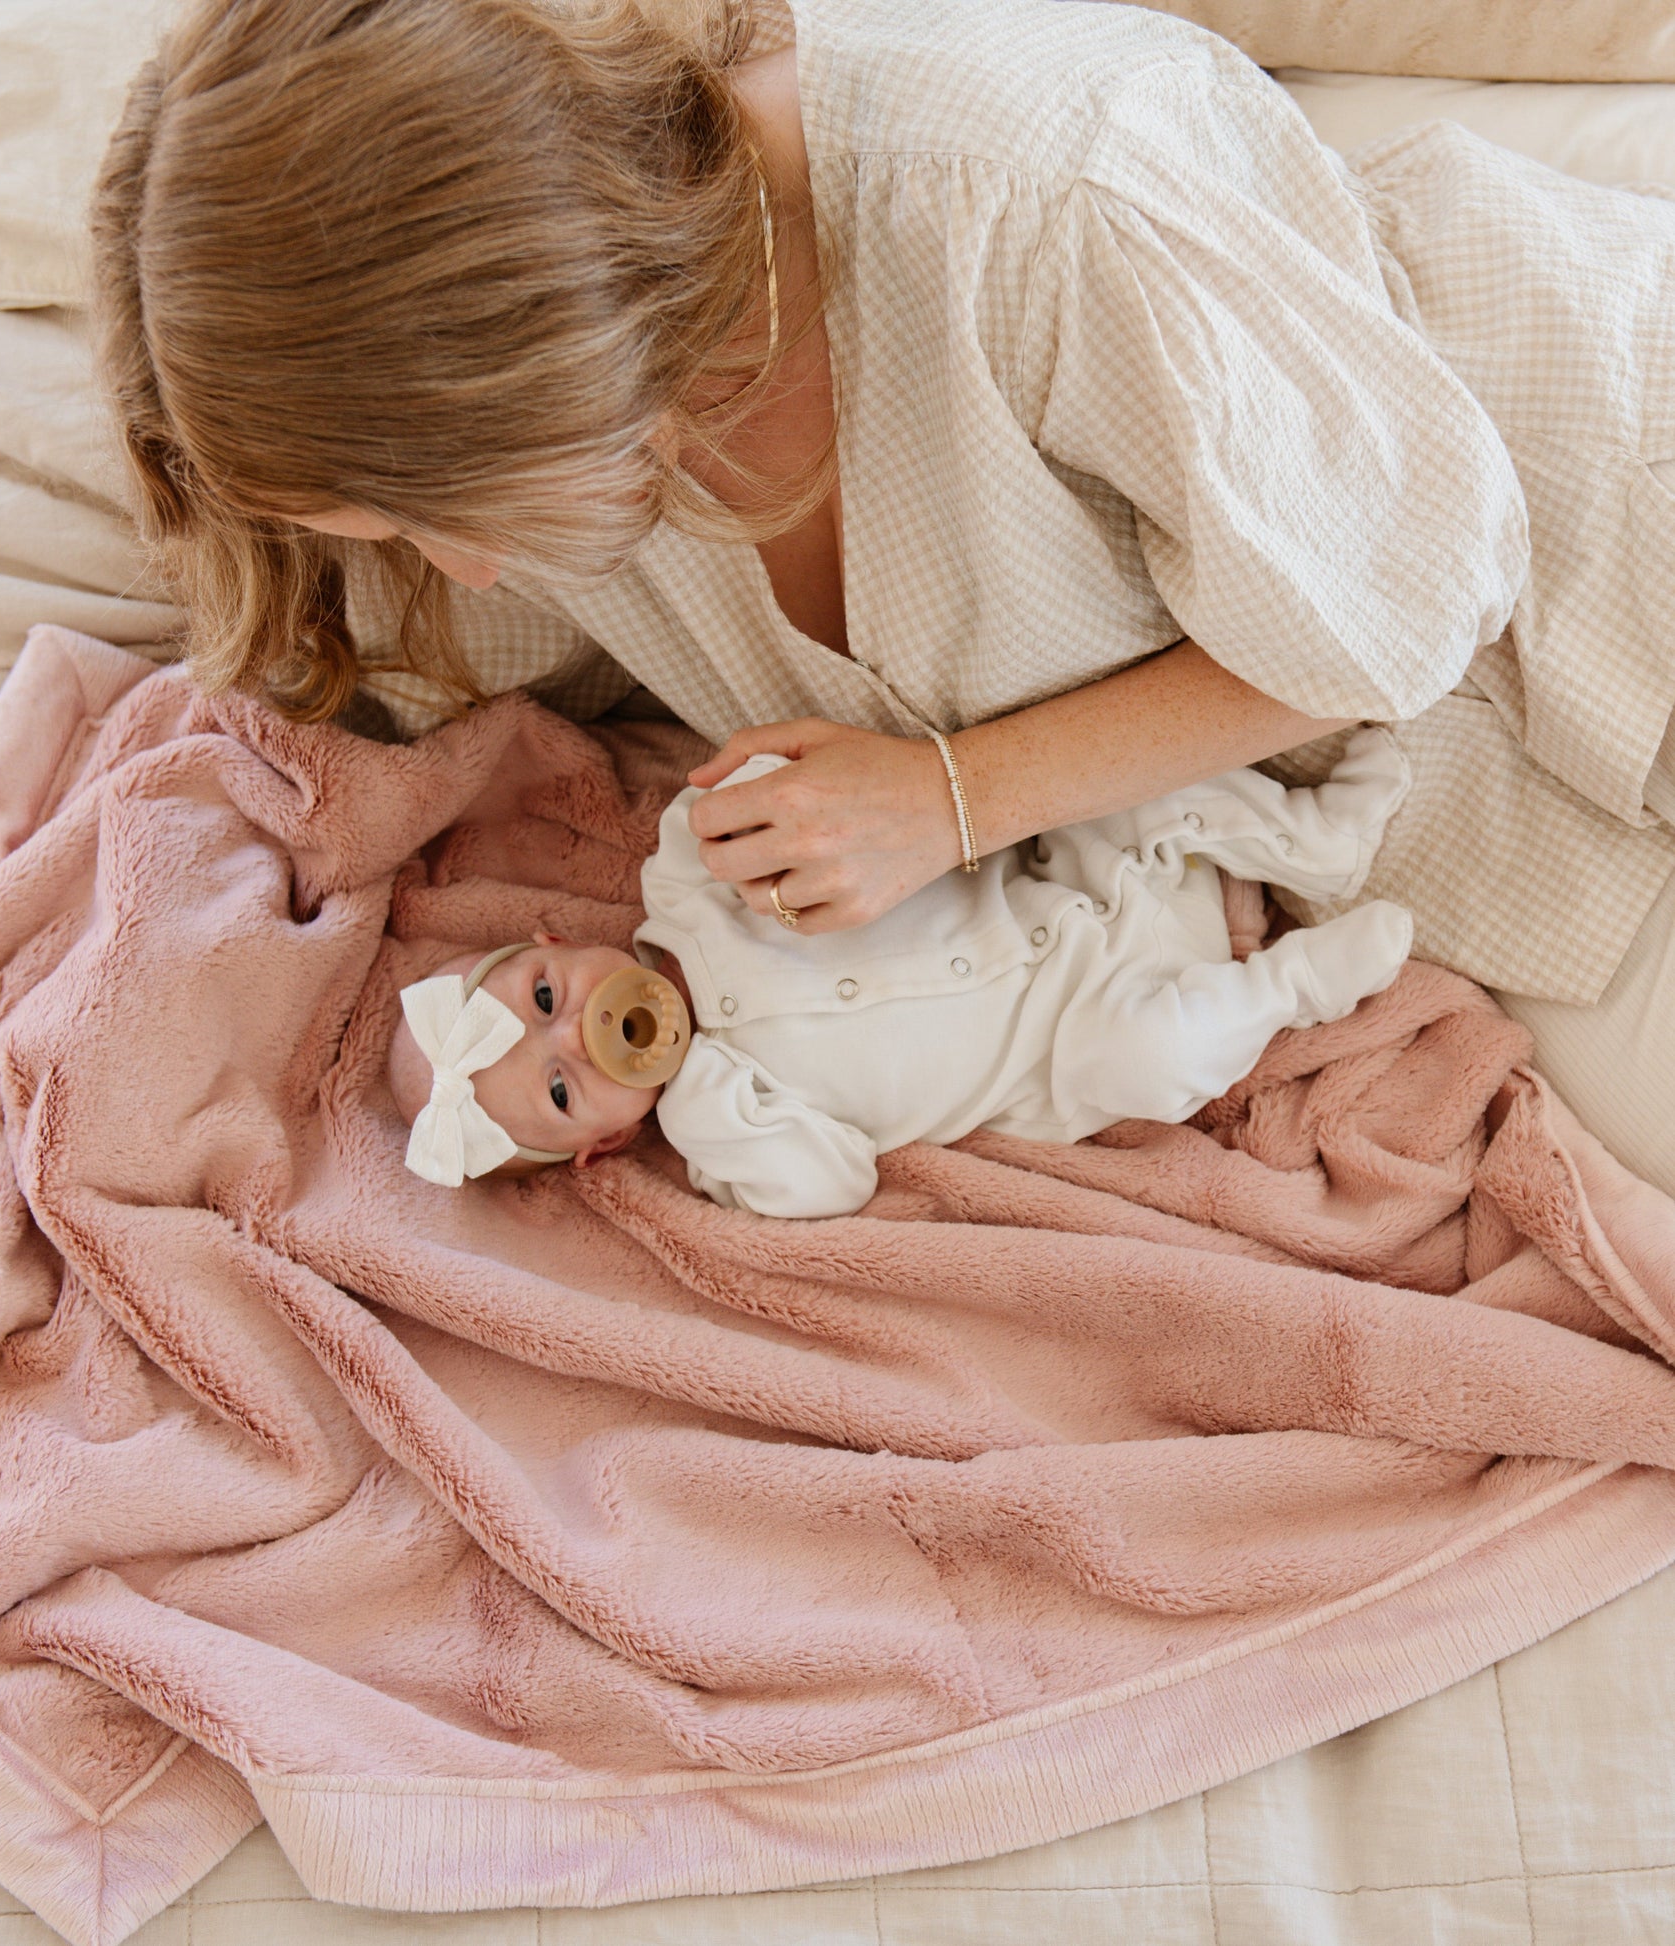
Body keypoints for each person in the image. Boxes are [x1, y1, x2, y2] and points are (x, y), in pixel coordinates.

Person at [91, 0, 1675, 1190]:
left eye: (450, 507)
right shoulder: (548, 401)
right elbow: (350, 667)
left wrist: (952, 796)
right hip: (1443, 844)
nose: (470, 565)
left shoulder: (1038, 192)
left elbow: (1398, 604)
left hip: (1595, 521)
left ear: (541, 350)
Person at [389, 727, 1414, 1216]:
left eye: (539, 1000)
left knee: (1129, 786)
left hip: (1065, 879)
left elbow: (743, 793)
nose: (574, 1030)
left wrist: (748, 808)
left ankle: (1313, 838)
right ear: (603, 1141)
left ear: (559, 945)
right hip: (1077, 1033)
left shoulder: (685, 886)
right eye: (562, 1083)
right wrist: (700, 1091)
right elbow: (833, 1180)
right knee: (1148, 1059)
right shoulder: (725, 1135)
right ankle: (1293, 987)